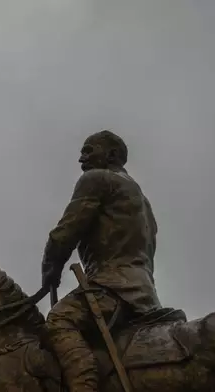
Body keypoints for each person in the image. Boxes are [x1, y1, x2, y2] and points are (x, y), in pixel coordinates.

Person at [41, 130, 162, 392]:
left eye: (88, 150)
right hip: (144, 293)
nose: (81, 158)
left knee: (59, 320)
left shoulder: (97, 179)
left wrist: (50, 270)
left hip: (112, 287)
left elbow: (65, 233)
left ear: (112, 155)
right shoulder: (143, 202)